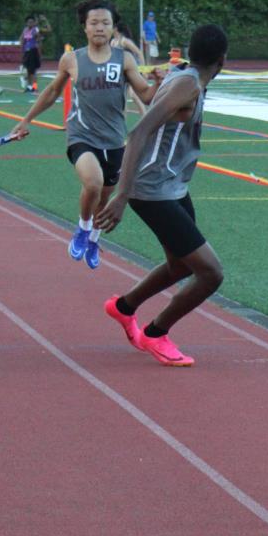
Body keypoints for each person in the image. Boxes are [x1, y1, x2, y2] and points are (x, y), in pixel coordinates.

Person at [97, 24, 228, 367]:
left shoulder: (184, 76)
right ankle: (156, 333)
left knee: (181, 265)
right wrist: (122, 194)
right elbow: (139, 131)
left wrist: (159, 80)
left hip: (172, 186)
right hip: (152, 189)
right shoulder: (187, 84)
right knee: (211, 273)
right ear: (222, 61)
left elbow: (155, 104)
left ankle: (123, 307)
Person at [8, 0, 157, 268]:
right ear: (84, 27)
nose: (100, 27)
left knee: (104, 197)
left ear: (113, 28)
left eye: (105, 23)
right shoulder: (72, 59)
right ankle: (83, 228)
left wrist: (158, 83)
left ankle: (94, 239)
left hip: (114, 140)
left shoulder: (124, 60)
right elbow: (52, 91)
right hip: (82, 136)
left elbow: (145, 94)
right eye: (94, 23)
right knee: (93, 183)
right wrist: (26, 120)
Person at [20, 16, 42, 92]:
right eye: (29, 22)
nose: (30, 23)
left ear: (34, 23)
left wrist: (39, 52)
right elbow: (22, 39)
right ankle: (29, 87)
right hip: (27, 52)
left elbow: (39, 40)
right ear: (26, 23)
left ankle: (35, 87)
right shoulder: (25, 30)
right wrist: (22, 50)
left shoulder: (35, 30)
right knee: (28, 71)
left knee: (34, 71)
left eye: (32, 22)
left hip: (33, 51)